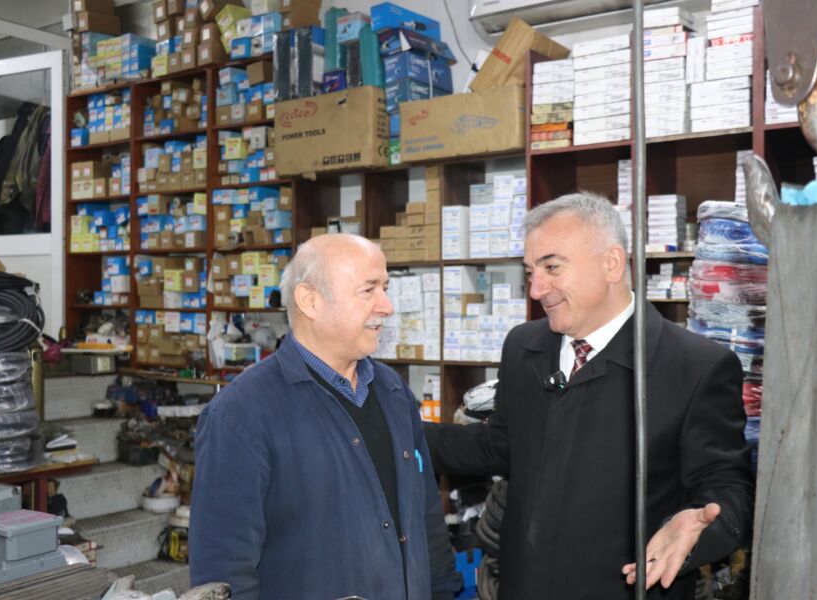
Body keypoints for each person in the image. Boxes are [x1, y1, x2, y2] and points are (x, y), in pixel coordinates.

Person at [424, 192, 754, 599]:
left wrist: (701, 530)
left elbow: (727, 488)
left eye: (551, 267)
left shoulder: (696, 366)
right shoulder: (523, 346)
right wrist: (400, 431)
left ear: (611, 264)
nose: (536, 289)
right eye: (530, 271)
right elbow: (500, 445)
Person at [190, 233, 461, 600]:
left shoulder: (393, 393)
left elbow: (426, 518)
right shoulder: (240, 415)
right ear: (310, 300)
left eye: (385, 289)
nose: (387, 306)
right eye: (369, 290)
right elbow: (224, 572)